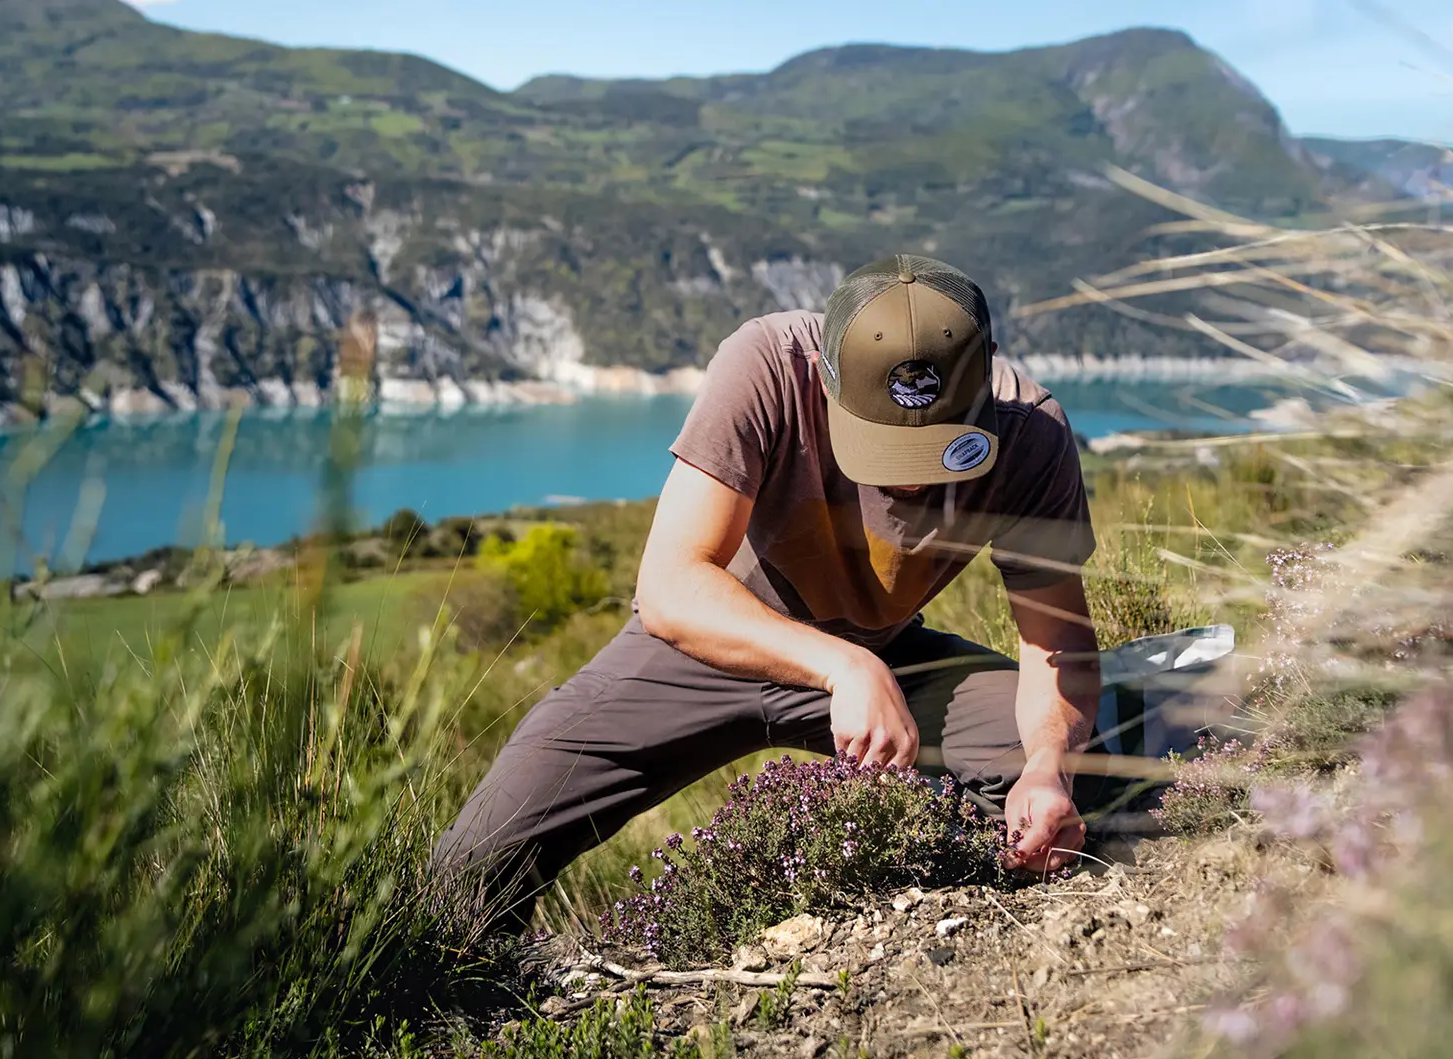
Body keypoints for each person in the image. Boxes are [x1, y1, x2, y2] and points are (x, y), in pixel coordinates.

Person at [433, 253, 1115, 931]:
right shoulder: (764, 363)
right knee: (465, 877)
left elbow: (1055, 639)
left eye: (936, 451)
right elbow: (671, 586)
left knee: (1080, 786)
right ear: (827, 375)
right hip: (710, 643)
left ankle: (928, 908)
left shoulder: (1031, 433)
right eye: (880, 449)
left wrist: (1048, 765)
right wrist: (841, 665)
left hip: (887, 659)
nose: (909, 483)